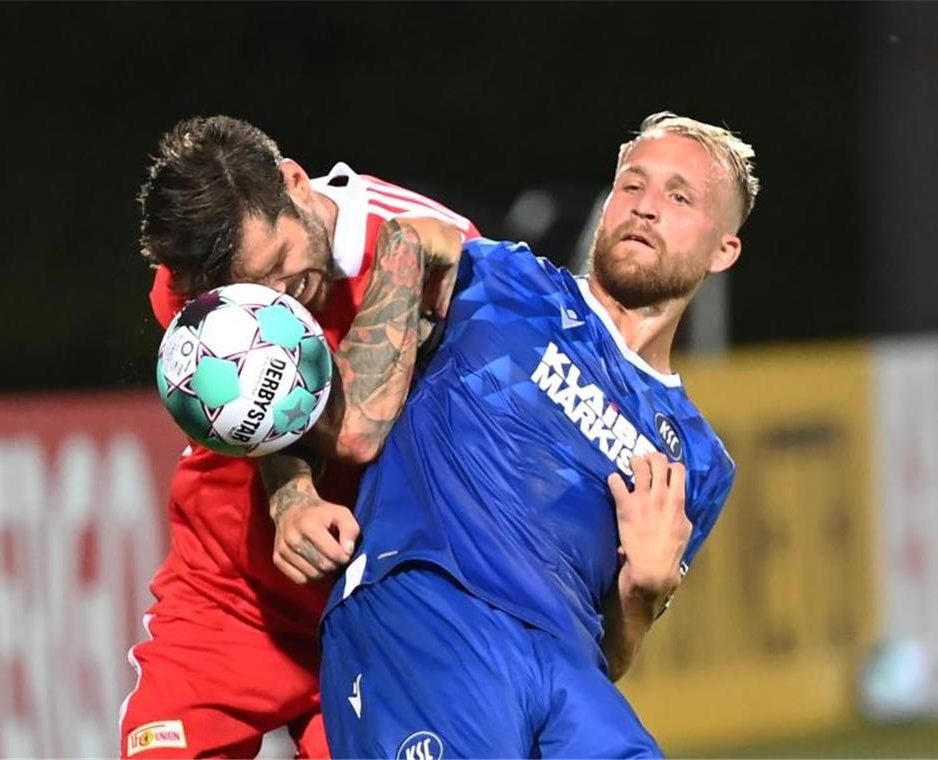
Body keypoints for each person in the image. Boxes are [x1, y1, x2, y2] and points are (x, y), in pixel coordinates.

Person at [317, 112, 759, 758]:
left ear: (724, 249)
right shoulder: (500, 283)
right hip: (433, 615)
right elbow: (350, 253)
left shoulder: (694, 461)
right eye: (631, 186)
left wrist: (645, 594)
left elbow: (612, 656)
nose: (645, 208)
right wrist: (295, 484)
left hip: (565, 673)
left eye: (678, 196)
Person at [119, 115, 478, 759]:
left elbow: (358, 432)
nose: (281, 298)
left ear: (293, 182)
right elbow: (261, 415)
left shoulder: (435, 244)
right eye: (250, 293)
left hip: (385, 612)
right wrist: (292, 499)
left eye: (280, 263)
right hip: (231, 594)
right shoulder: (190, 287)